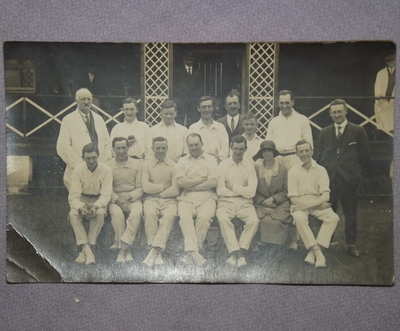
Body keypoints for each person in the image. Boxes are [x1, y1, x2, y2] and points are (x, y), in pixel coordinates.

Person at [317, 99, 370, 257]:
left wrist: (357, 175)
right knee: (328, 213)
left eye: (340, 111)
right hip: (330, 180)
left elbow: (365, 157)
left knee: (350, 213)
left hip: (349, 181)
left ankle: (351, 244)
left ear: (346, 112)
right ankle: (327, 242)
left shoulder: (358, 131)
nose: (337, 115)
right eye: (334, 112)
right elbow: (319, 156)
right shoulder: (324, 132)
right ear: (330, 114)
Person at [288, 140, 339, 268]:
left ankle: (312, 252)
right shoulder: (293, 171)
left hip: (316, 201)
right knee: (299, 218)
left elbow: (326, 195)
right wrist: (313, 205)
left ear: (312, 151)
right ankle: (318, 253)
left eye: (306, 150)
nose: (304, 154)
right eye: (301, 151)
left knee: (333, 218)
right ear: (297, 154)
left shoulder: (321, 170)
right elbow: (293, 197)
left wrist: (314, 205)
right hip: (301, 202)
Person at [216, 135, 259, 267]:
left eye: (241, 149)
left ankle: (239, 251)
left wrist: (234, 187)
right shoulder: (223, 165)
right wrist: (241, 190)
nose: (238, 152)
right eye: (235, 148)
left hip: (244, 202)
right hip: (226, 202)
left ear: (245, 149)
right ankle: (237, 253)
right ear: (231, 148)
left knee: (254, 221)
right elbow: (220, 190)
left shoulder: (249, 165)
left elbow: (252, 192)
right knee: (223, 218)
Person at [176, 133, 218, 266]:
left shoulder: (211, 159)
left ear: (202, 144)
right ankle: (196, 254)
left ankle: (192, 253)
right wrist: (201, 179)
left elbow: (213, 182)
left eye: (196, 144)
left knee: (204, 218)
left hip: (207, 197)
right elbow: (181, 182)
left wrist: (191, 185)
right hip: (186, 198)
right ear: (187, 146)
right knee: (185, 219)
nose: (194, 148)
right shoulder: (182, 161)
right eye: (191, 145)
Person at [57, 88, 111, 190]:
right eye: (83, 99)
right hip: (77, 169)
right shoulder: (68, 120)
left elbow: (107, 143)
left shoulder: (99, 119)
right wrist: (79, 165)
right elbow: (63, 146)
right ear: (76, 101)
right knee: (78, 202)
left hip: (98, 168)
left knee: (98, 201)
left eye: (88, 99)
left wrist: (102, 163)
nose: (86, 102)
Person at [68, 143, 112, 265]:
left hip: (98, 200)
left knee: (100, 213)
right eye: (88, 158)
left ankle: (86, 249)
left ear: (98, 156)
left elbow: (106, 194)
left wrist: (96, 206)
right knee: (73, 214)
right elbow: (73, 196)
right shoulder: (78, 170)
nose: (91, 161)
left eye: (94, 157)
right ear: (83, 158)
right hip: (82, 199)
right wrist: (81, 207)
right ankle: (88, 250)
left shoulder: (106, 170)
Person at [142, 137, 179, 267]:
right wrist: (162, 187)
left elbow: (175, 189)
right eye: (158, 148)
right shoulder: (146, 164)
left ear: (167, 149)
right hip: (151, 199)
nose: (161, 151)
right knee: (150, 214)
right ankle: (156, 252)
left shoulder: (173, 165)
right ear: (153, 149)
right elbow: (145, 186)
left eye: (163, 148)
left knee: (169, 216)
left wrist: (161, 193)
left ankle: (153, 251)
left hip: (169, 200)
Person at [108, 137, 143, 263]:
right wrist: (117, 199)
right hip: (115, 199)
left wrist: (130, 197)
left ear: (128, 148)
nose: (121, 151)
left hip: (132, 198)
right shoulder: (108, 165)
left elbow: (140, 187)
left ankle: (123, 247)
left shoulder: (137, 164)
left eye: (124, 148)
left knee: (137, 212)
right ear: (113, 149)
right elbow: (107, 188)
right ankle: (126, 250)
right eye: (118, 148)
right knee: (117, 214)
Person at [253, 140, 293, 247]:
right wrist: (263, 201)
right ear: (261, 153)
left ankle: (277, 249)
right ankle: (262, 247)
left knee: (275, 222)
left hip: (279, 204)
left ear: (274, 153)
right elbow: (253, 190)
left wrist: (274, 199)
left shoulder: (282, 169)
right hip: (261, 204)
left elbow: (286, 190)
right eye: (264, 151)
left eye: (269, 151)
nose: (267, 154)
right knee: (262, 220)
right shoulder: (256, 168)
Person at [266, 90, 313, 170]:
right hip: (277, 160)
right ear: (278, 103)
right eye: (282, 103)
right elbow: (268, 144)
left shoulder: (302, 120)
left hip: (296, 159)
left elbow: (309, 144)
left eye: (287, 103)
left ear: (292, 102)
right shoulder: (273, 122)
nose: (284, 106)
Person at [187, 96, 229, 163]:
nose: (207, 110)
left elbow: (225, 150)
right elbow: (189, 150)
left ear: (213, 108)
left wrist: (217, 161)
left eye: (209, 107)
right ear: (198, 109)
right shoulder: (193, 128)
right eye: (204, 107)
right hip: (198, 166)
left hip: (217, 165)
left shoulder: (220, 128)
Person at [374, 52, 395, 133]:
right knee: (383, 124)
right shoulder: (381, 73)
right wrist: (379, 96)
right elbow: (377, 87)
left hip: (395, 101)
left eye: (392, 60)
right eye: (388, 61)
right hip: (383, 100)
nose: (391, 63)